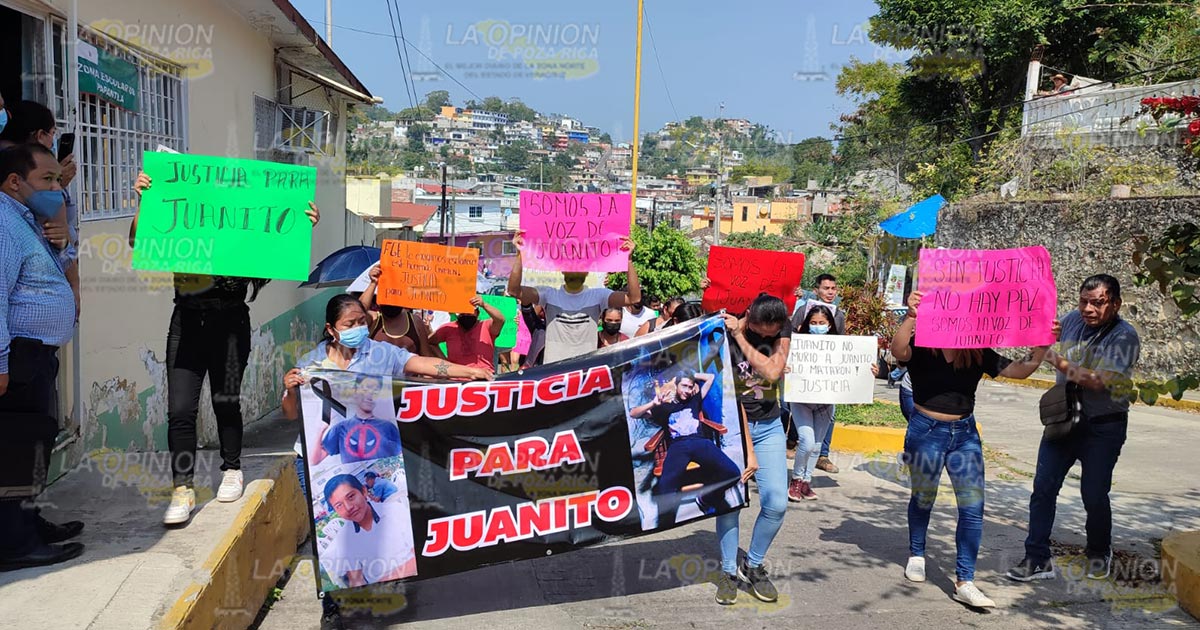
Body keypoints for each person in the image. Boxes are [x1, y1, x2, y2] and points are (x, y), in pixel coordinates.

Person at [130, 172, 323, 525]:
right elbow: (140, 240)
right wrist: (146, 201)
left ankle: (232, 469)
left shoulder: (243, 238)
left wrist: (302, 223)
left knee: (225, 400)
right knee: (180, 411)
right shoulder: (185, 226)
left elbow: (280, 246)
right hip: (186, 322)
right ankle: (182, 489)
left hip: (231, 324)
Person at [890, 290, 1050, 609]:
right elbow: (898, 350)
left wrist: (1041, 347)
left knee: (973, 508)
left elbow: (1018, 370)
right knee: (923, 497)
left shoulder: (976, 350)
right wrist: (910, 315)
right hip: (926, 431)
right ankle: (917, 553)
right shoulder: (923, 343)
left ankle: (965, 580)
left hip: (964, 434)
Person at [1008, 275, 1141, 583]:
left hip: (1103, 425)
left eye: (1097, 303)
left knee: (1093, 493)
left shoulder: (1124, 336)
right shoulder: (1070, 320)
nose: (1088, 309)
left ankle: (1098, 551)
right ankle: (1037, 557)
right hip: (1063, 419)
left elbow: (1096, 381)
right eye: (1084, 301)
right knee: (1043, 488)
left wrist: (1052, 356)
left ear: (1115, 304)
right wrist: (1042, 339)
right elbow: (1038, 347)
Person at [0, 144, 84, 571]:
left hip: (38, 356)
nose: (57, 187)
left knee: (35, 445)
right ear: (15, 181)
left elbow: (53, 270)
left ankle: (30, 525)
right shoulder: (2, 225)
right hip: (18, 356)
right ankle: (15, 544)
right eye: (47, 180)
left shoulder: (29, 220)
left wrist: (64, 238)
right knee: (16, 450)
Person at [711, 293, 791, 605]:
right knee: (731, 502)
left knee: (776, 503)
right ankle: (729, 571)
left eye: (772, 334)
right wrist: (749, 451)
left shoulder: (782, 326)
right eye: (761, 332)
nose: (767, 337)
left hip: (770, 426)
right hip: (733, 426)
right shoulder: (721, 335)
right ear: (749, 316)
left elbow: (772, 373)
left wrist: (741, 338)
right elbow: (732, 400)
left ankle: (753, 563)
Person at [787, 305, 878, 502]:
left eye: (822, 323)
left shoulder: (842, 347)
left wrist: (869, 371)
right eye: (813, 323)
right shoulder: (795, 346)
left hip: (825, 403)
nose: (817, 326)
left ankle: (806, 481)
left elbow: (855, 368)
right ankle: (795, 479)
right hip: (802, 400)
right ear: (805, 324)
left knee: (817, 445)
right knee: (807, 441)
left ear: (830, 325)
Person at [506, 232, 640, 364]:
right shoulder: (548, 294)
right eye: (570, 266)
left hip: (584, 374)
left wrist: (628, 260)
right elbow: (514, 291)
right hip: (554, 373)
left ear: (587, 272)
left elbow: (633, 298)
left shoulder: (599, 296)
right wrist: (520, 255)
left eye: (579, 267)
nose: (575, 271)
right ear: (562, 270)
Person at [0, 100, 79, 319]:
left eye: (54, 180)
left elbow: (61, 240)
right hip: (22, 348)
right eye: (53, 133)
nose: (54, 187)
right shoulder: (7, 223)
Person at [630, 371, 740, 528]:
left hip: (701, 443)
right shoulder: (664, 407)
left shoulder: (695, 400)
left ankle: (707, 497)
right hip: (678, 447)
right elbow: (633, 413)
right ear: (676, 385)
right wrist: (653, 404)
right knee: (664, 489)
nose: (687, 391)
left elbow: (710, 378)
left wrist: (690, 374)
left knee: (733, 473)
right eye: (684, 386)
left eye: (690, 386)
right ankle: (665, 524)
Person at [321, 474, 416, 588]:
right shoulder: (344, 539)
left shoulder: (395, 510)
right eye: (339, 505)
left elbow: (417, 558)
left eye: (351, 497)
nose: (348, 507)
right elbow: (356, 581)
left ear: (364, 492)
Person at [310, 374, 400, 466]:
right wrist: (320, 429)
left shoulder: (388, 427)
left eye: (375, 392)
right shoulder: (341, 428)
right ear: (355, 391)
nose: (370, 395)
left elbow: (403, 456)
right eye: (365, 389)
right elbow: (315, 460)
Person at [359, 264, 440, 357]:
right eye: (387, 298)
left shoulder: (415, 322)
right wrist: (373, 283)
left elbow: (426, 357)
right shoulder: (373, 320)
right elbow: (358, 311)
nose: (391, 302)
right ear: (378, 301)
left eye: (395, 298)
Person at [429, 296, 505, 371]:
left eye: (469, 312)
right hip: (456, 378)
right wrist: (444, 361)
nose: (466, 315)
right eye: (463, 313)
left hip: (482, 378)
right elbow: (430, 341)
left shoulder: (486, 326)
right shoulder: (449, 328)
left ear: (477, 313)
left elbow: (500, 320)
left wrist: (484, 305)